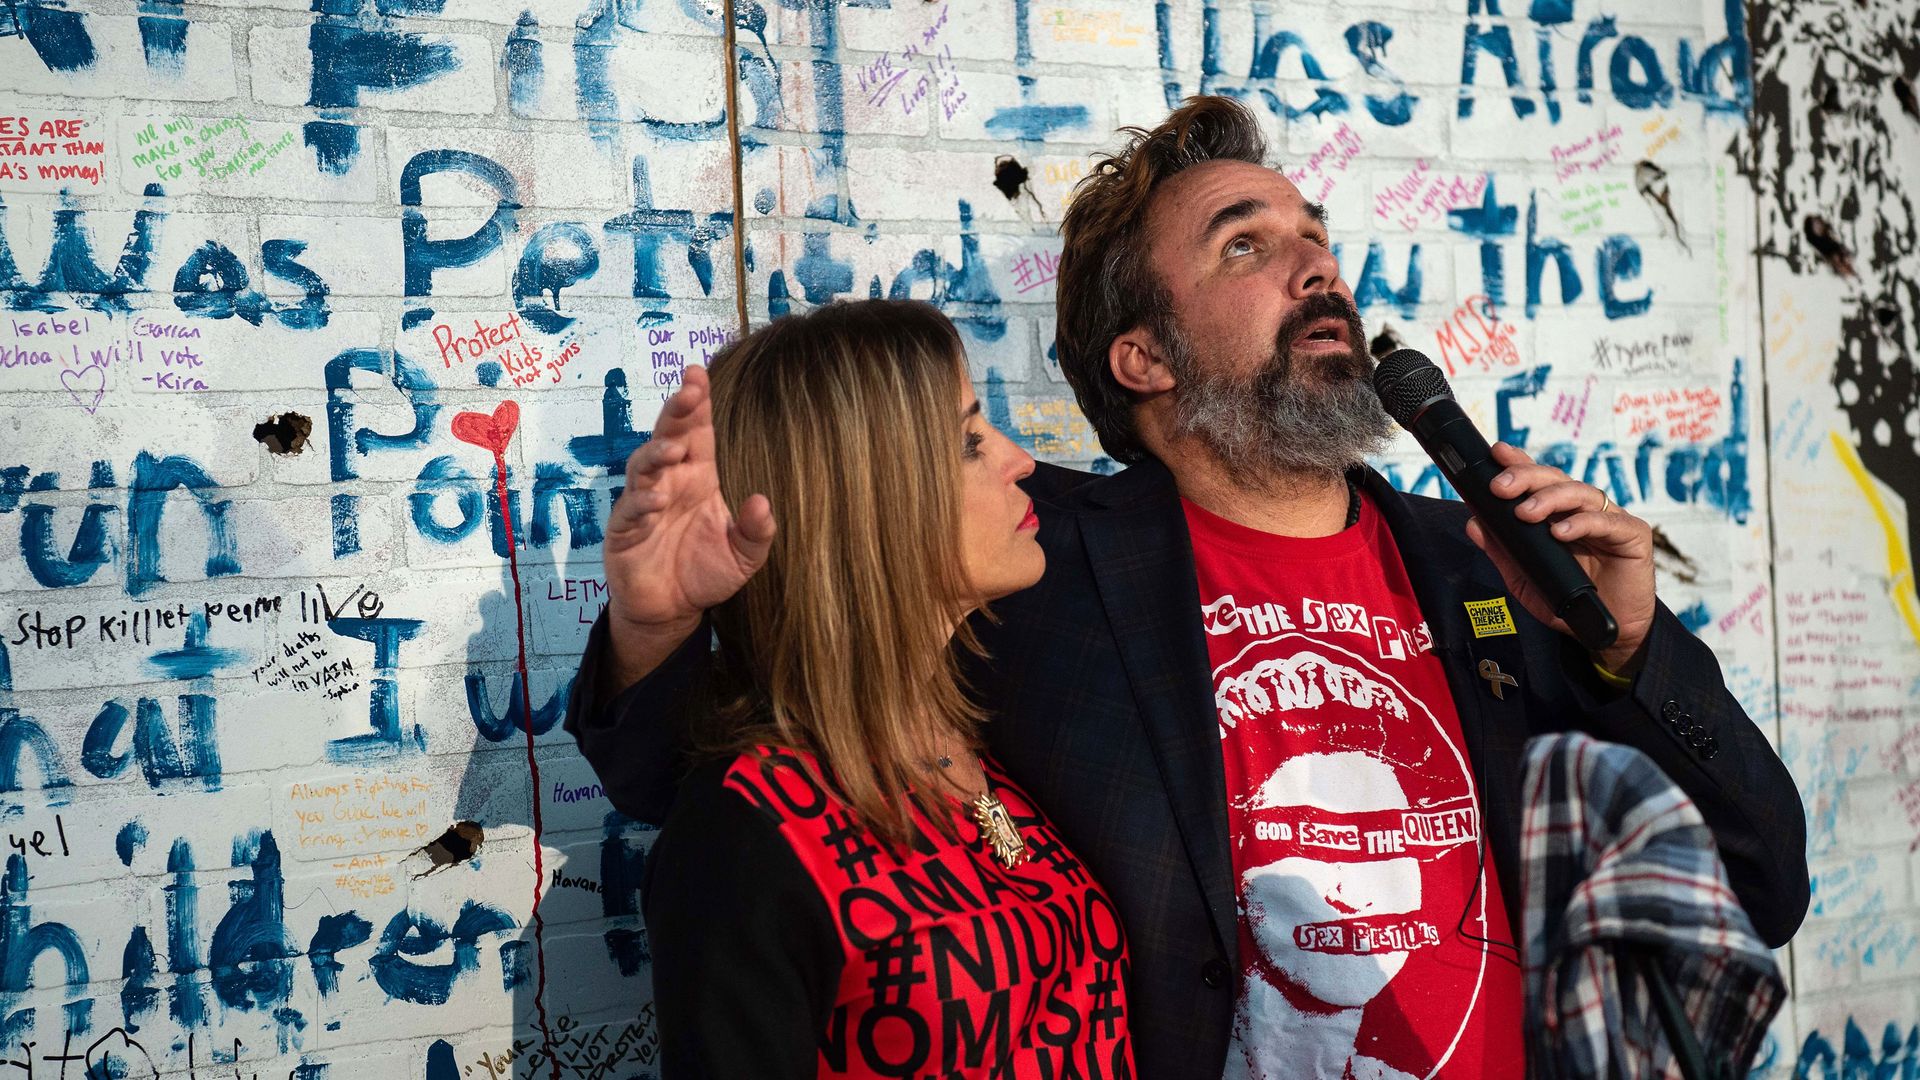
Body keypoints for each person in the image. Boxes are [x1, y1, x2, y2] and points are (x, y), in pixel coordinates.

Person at [568, 97, 1808, 1078]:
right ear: (1142, 355)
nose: (1314, 267)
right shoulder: (1036, 552)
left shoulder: (1477, 564)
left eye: (1315, 236)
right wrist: (653, 628)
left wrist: (1632, 650)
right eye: (1248, 247)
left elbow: (1762, 884)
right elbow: (730, 803)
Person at [617, 300, 1136, 1078]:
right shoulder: (751, 828)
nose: (1021, 459)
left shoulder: (987, 724)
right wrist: (651, 629)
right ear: (863, 500)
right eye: (968, 441)